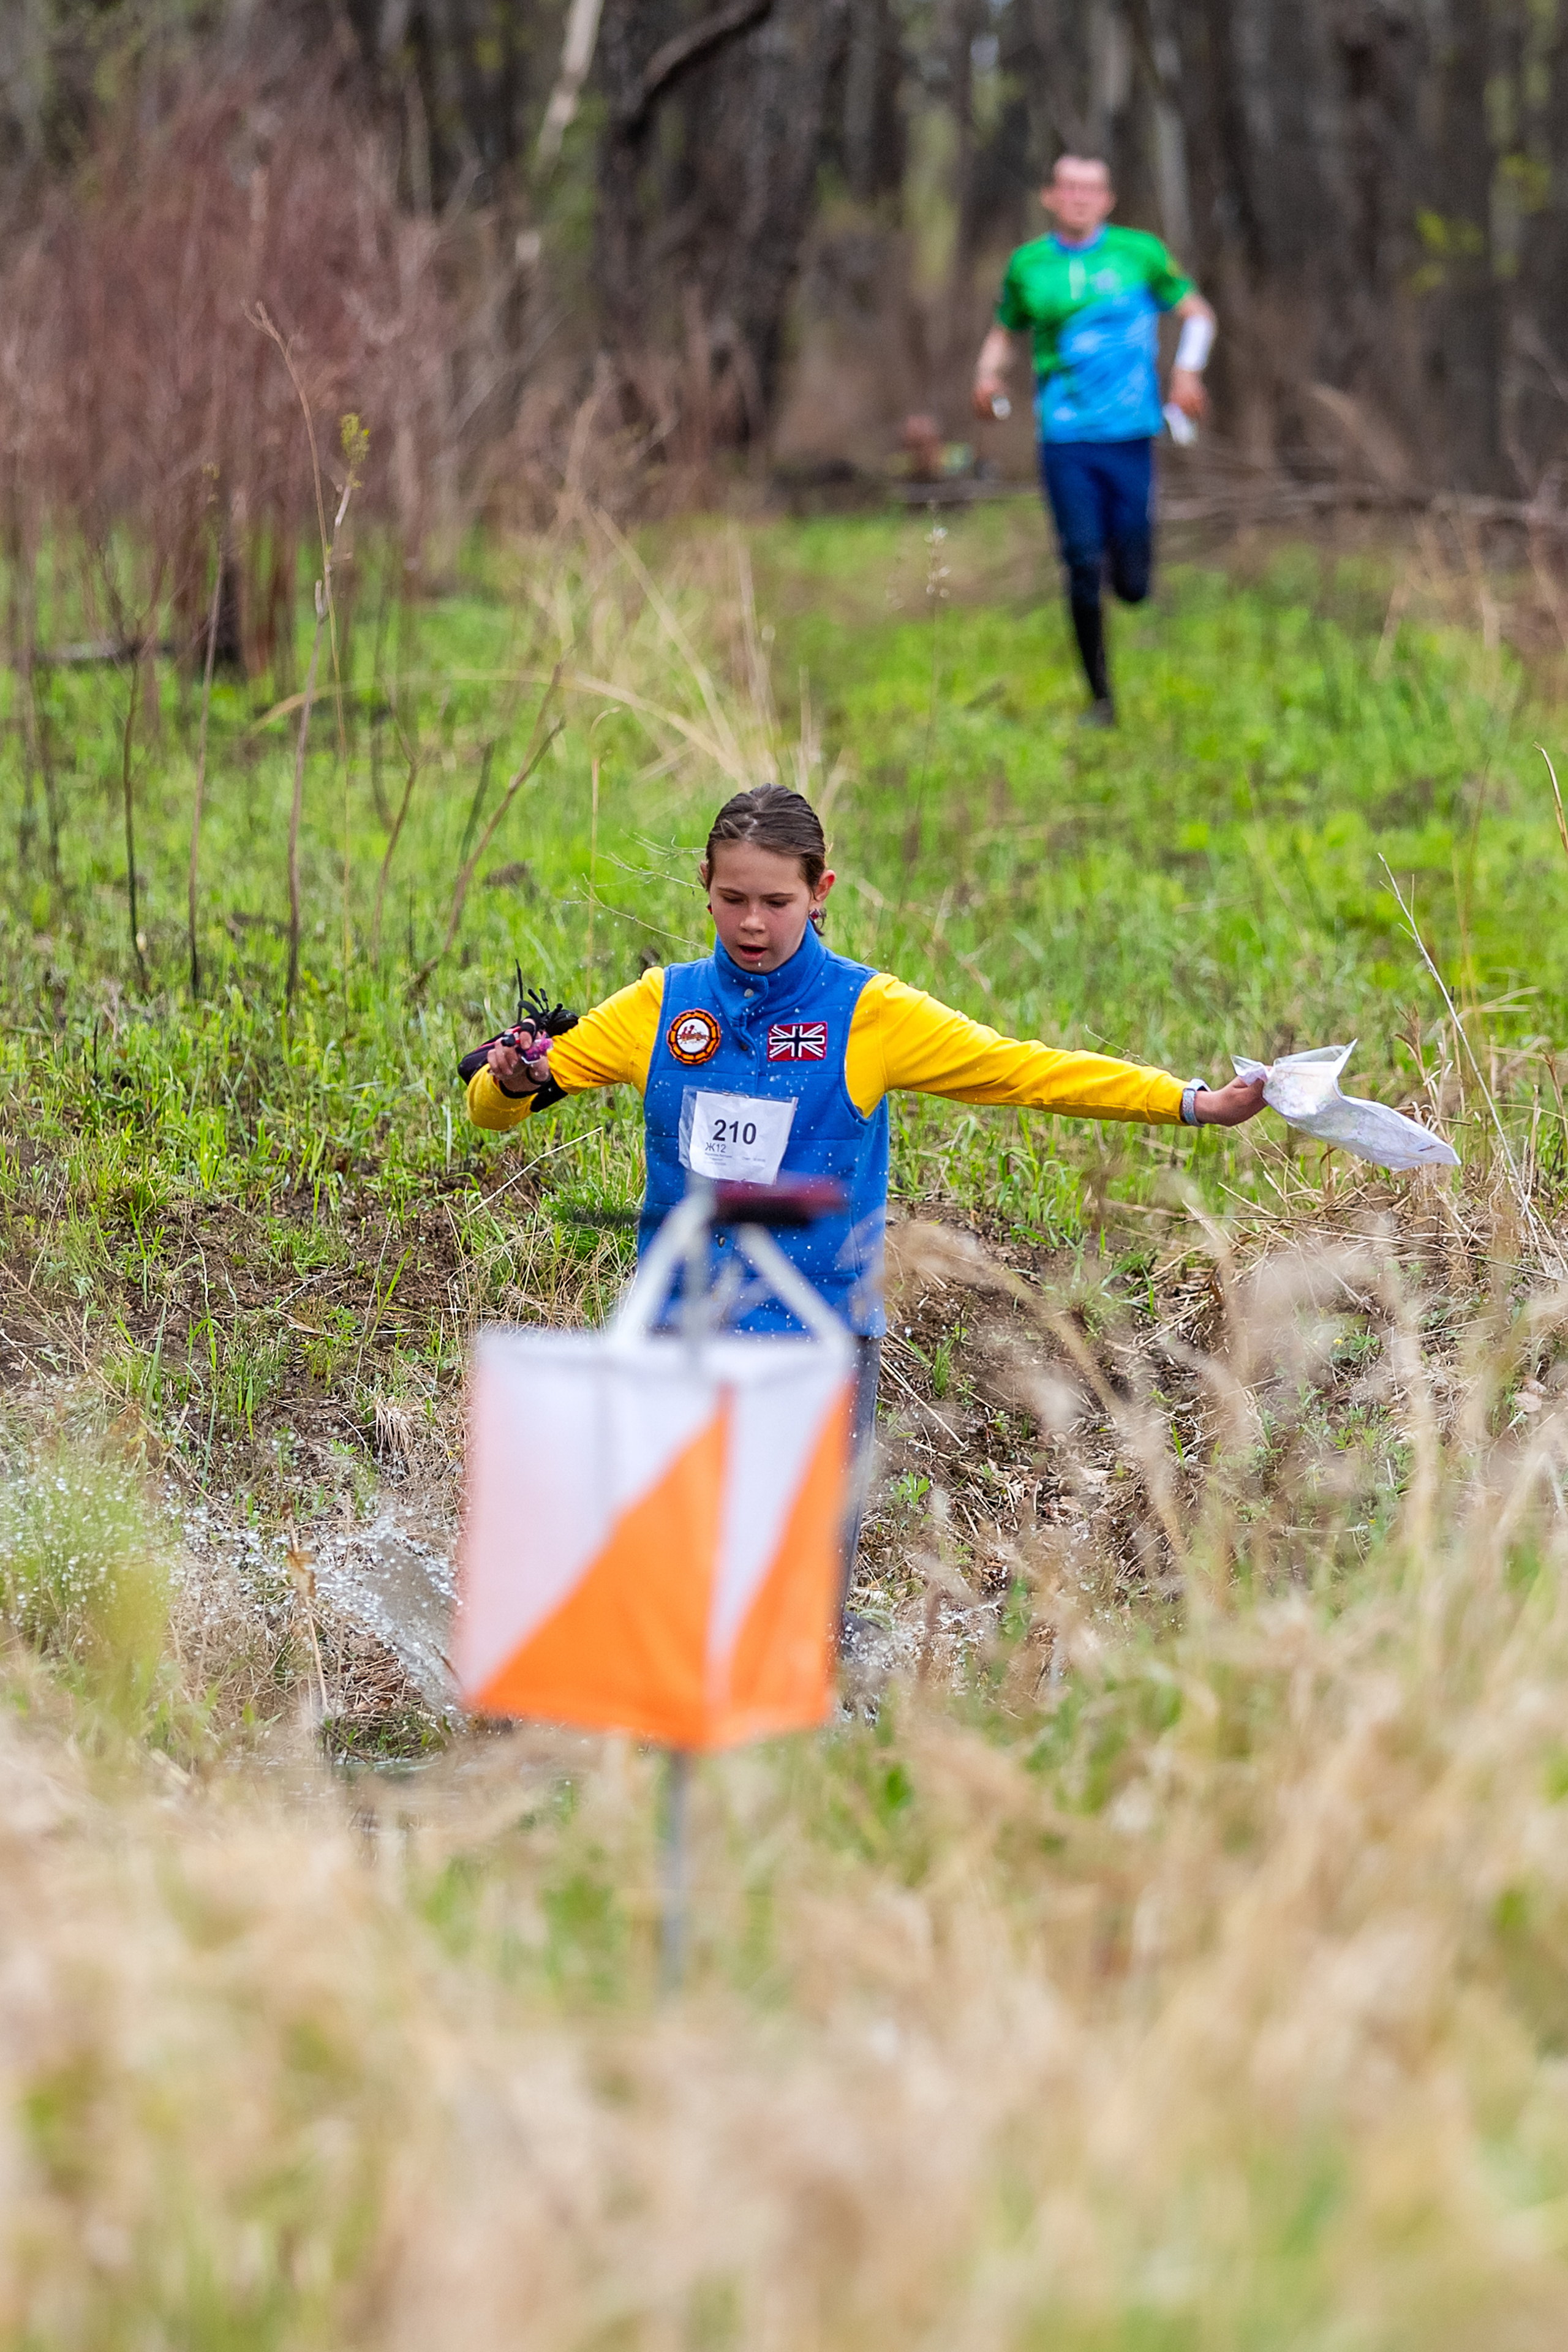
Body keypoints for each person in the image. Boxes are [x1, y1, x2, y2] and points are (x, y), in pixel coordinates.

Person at [463, 783, 1264, 1602]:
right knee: (671, 1594)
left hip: (818, 1347)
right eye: (731, 898)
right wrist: (512, 1080)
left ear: (821, 894)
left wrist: (1193, 1102)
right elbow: (497, 1111)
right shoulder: (661, 1006)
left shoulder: (868, 1013)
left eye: (777, 902)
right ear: (703, 881)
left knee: (805, 1611)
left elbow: (1025, 1070)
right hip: (677, 1339)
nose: (750, 924)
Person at [972, 154, 1216, 726]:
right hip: (1065, 438)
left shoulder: (1141, 255)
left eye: (1091, 189)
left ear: (1107, 200)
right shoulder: (1029, 266)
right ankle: (1100, 698)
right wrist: (986, 376)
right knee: (1081, 565)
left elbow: (1198, 315)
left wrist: (1186, 373)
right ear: (1051, 197)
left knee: (1132, 584)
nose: (1079, 197)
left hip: (1131, 435)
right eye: (1069, 188)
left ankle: (1122, 574)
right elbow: (1004, 333)